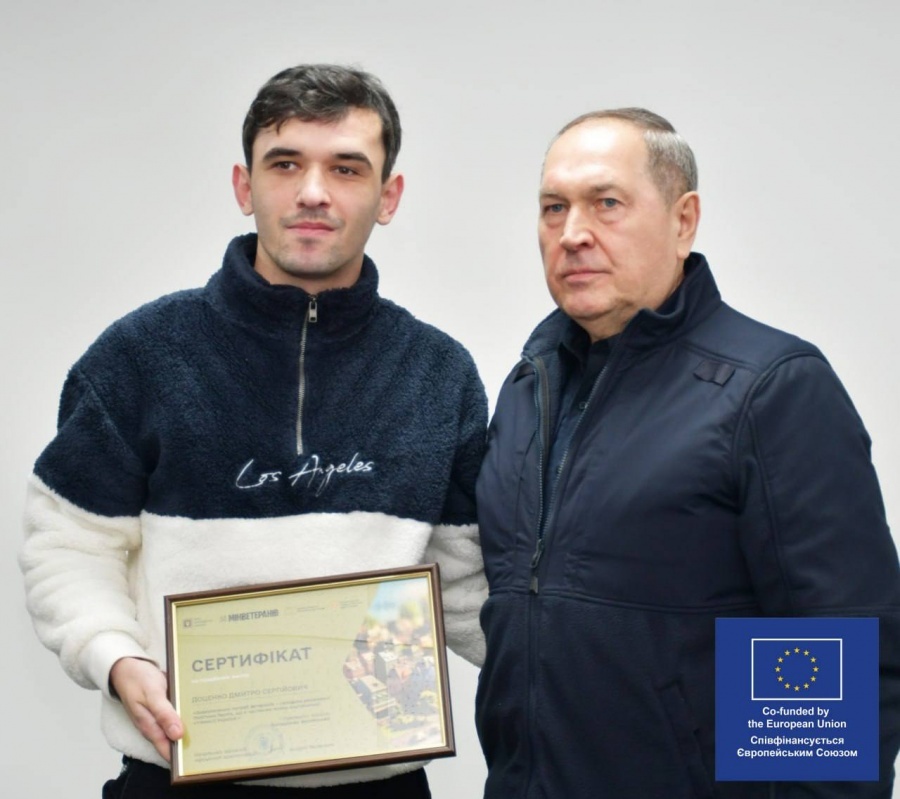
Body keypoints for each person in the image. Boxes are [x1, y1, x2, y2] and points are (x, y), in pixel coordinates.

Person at [20, 64, 487, 798]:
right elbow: (68, 545)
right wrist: (113, 656)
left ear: (388, 196)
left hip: (379, 781)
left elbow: (468, 589)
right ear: (245, 186)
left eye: (346, 168)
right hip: (179, 774)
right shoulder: (140, 356)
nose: (313, 191)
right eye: (285, 164)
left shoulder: (438, 373)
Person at [474, 108, 900, 797]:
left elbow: (830, 654)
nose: (573, 232)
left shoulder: (769, 388)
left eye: (606, 203)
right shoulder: (530, 386)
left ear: (683, 221)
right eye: (554, 208)